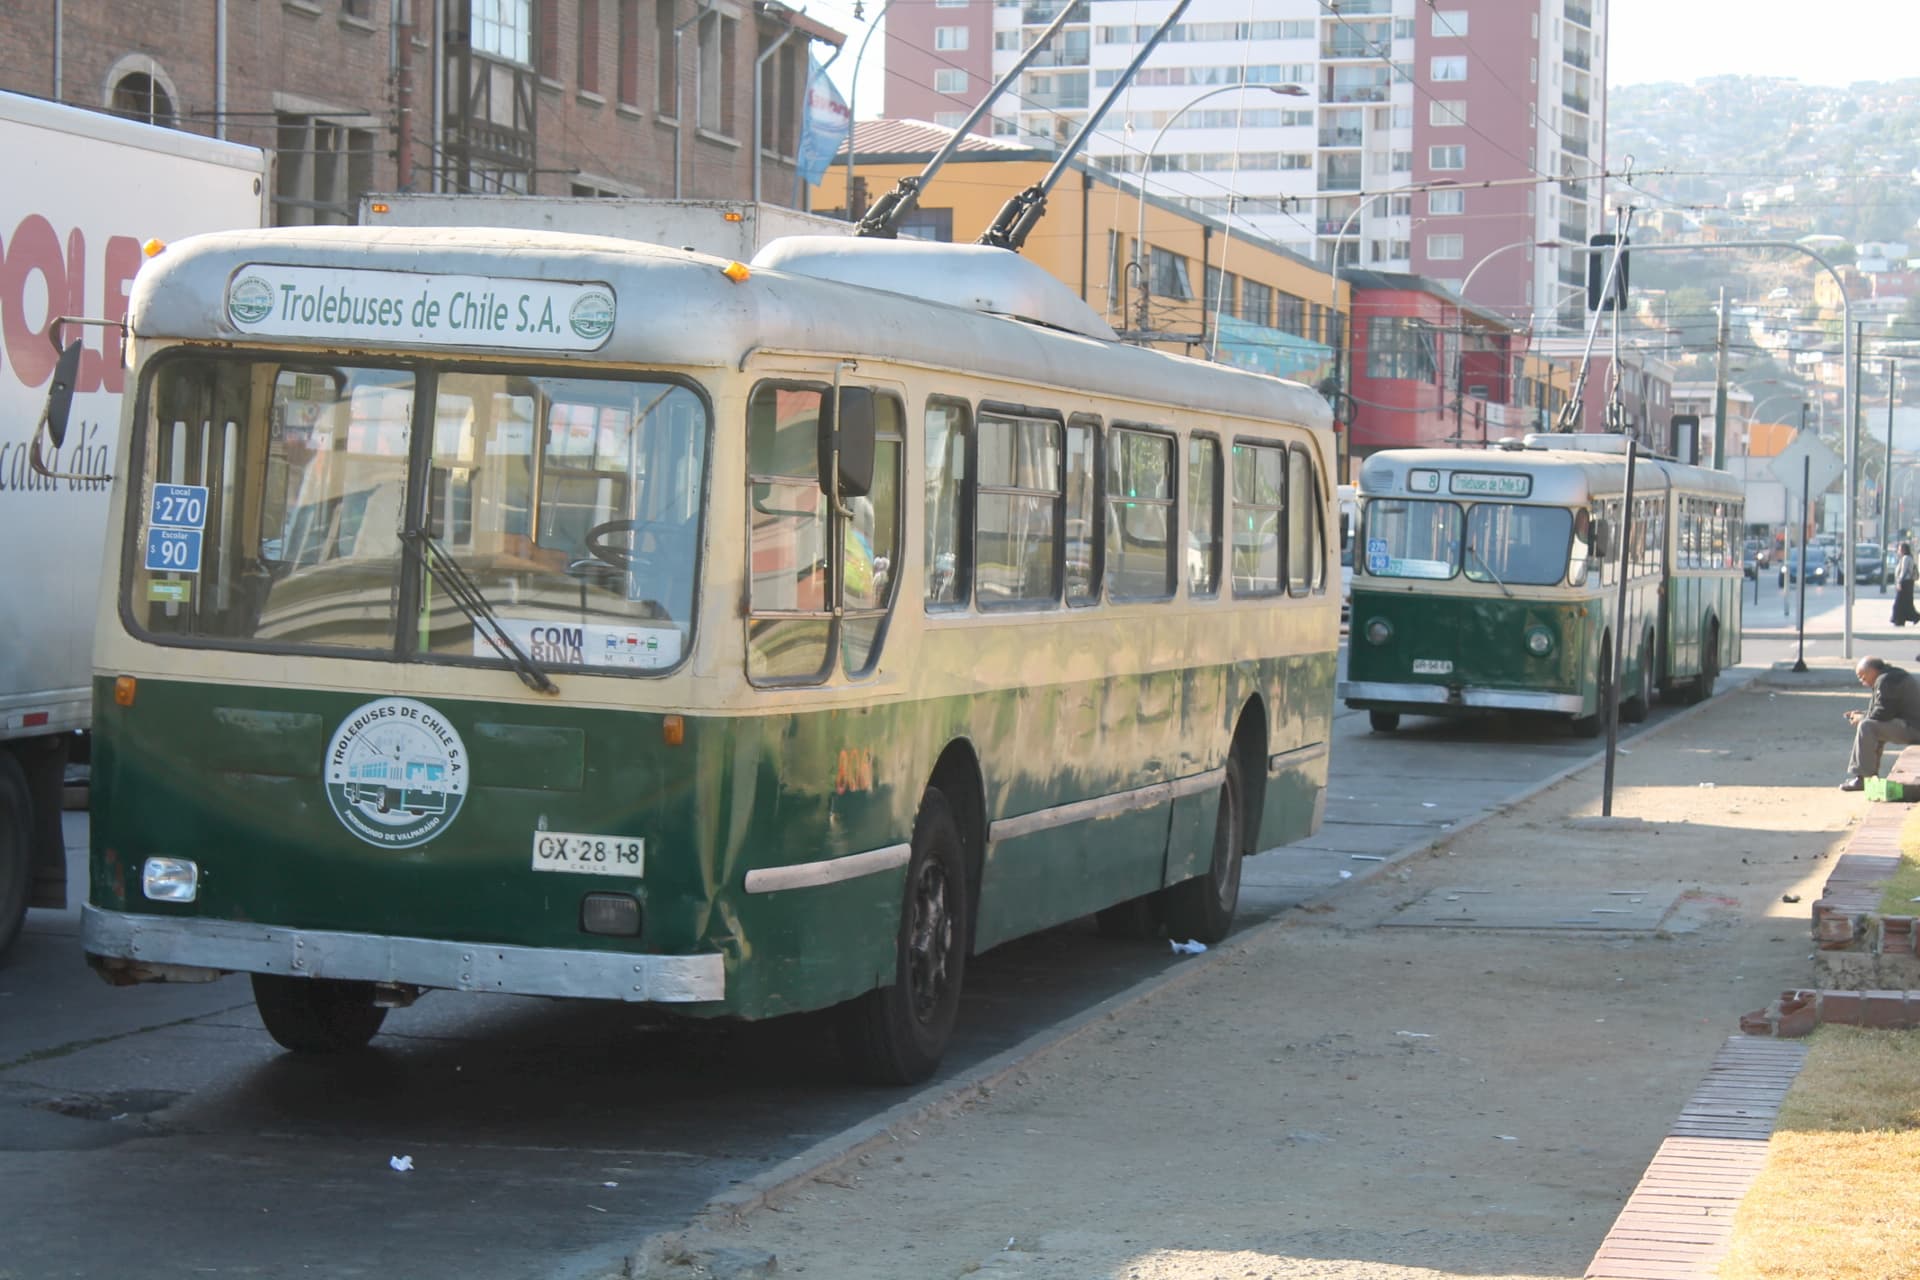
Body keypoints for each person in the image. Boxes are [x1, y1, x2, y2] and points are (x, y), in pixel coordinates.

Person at [1840, 656, 1920, 791]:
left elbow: (1882, 714)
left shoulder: (1887, 680)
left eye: (1862, 676)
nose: (1862, 681)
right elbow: (1883, 709)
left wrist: (1862, 718)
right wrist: (1863, 714)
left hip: (1914, 728)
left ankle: (1863, 778)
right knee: (1871, 725)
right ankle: (1869, 777)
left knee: (1867, 726)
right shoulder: (1890, 676)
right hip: (1911, 725)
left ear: (1872, 670)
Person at [1895, 542, 1920, 627]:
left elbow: (1904, 571)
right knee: (1906, 603)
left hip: (1905, 583)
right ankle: (1910, 617)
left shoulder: (1906, 558)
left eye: (1899, 549)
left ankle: (1899, 620)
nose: (1898, 550)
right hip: (1908, 583)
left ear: (1903, 550)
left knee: (1899, 603)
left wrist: (1899, 582)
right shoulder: (1907, 558)